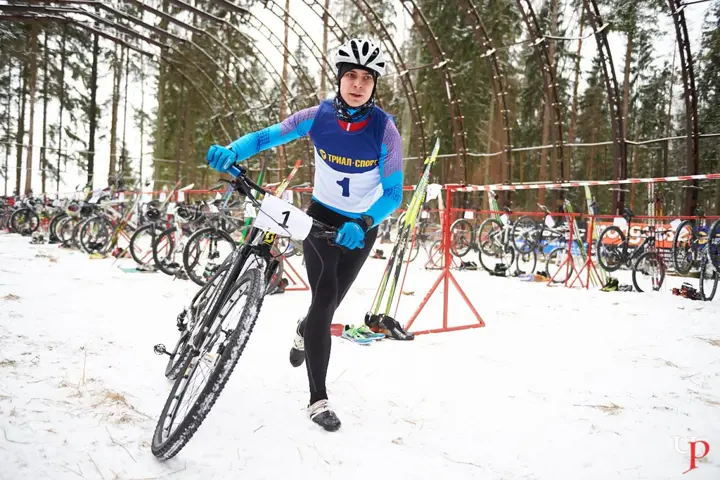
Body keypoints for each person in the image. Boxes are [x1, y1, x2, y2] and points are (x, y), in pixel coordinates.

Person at [205, 38, 404, 432]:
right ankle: (318, 398)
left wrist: (364, 222)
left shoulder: (385, 130)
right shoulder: (317, 116)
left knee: (327, 307)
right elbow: (266, 137)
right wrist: (232, 151)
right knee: (324, 297)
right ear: (339, 78)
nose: (358, 84)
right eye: (351, 75)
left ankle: (304, 328)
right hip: (321, 218)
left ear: (374, 85)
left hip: (360, 227)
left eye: (367, 78)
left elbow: (394, 193)